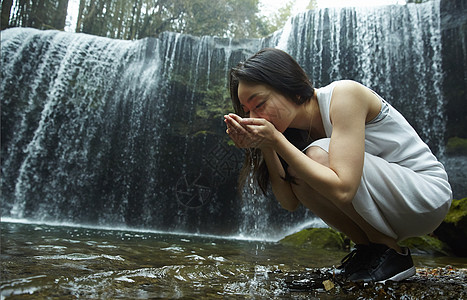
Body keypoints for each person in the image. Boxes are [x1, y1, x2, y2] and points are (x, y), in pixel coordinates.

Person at [224, 48, 452, 283]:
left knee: (316, 156)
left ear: (290, 87)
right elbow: (289, 202)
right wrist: (267, 146)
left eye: (259, 104)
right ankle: (369, 252)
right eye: (247, 111)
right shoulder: (292, 134)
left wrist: (278, 140)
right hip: (392, 206)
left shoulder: (344, 95)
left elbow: (344, 189)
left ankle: (389, 251)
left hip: (426, 195)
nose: (253, 116)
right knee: (300, 172)